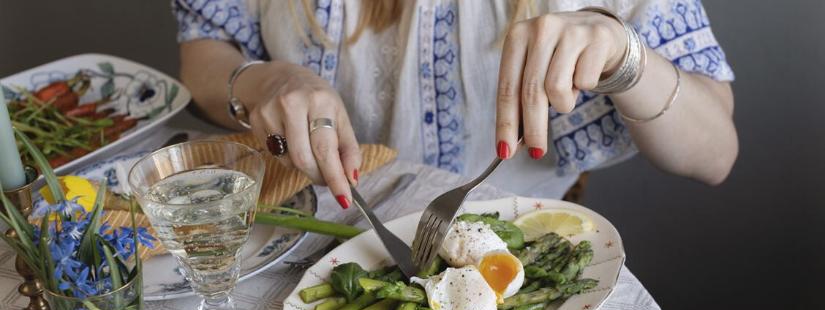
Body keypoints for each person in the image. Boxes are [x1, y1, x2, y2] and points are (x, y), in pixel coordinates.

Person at [172, 0, 737, 209]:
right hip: (307, 239)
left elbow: (715, 155)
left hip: (514, 251)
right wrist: (260, 82)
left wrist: (624, 55)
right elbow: (202, 60)